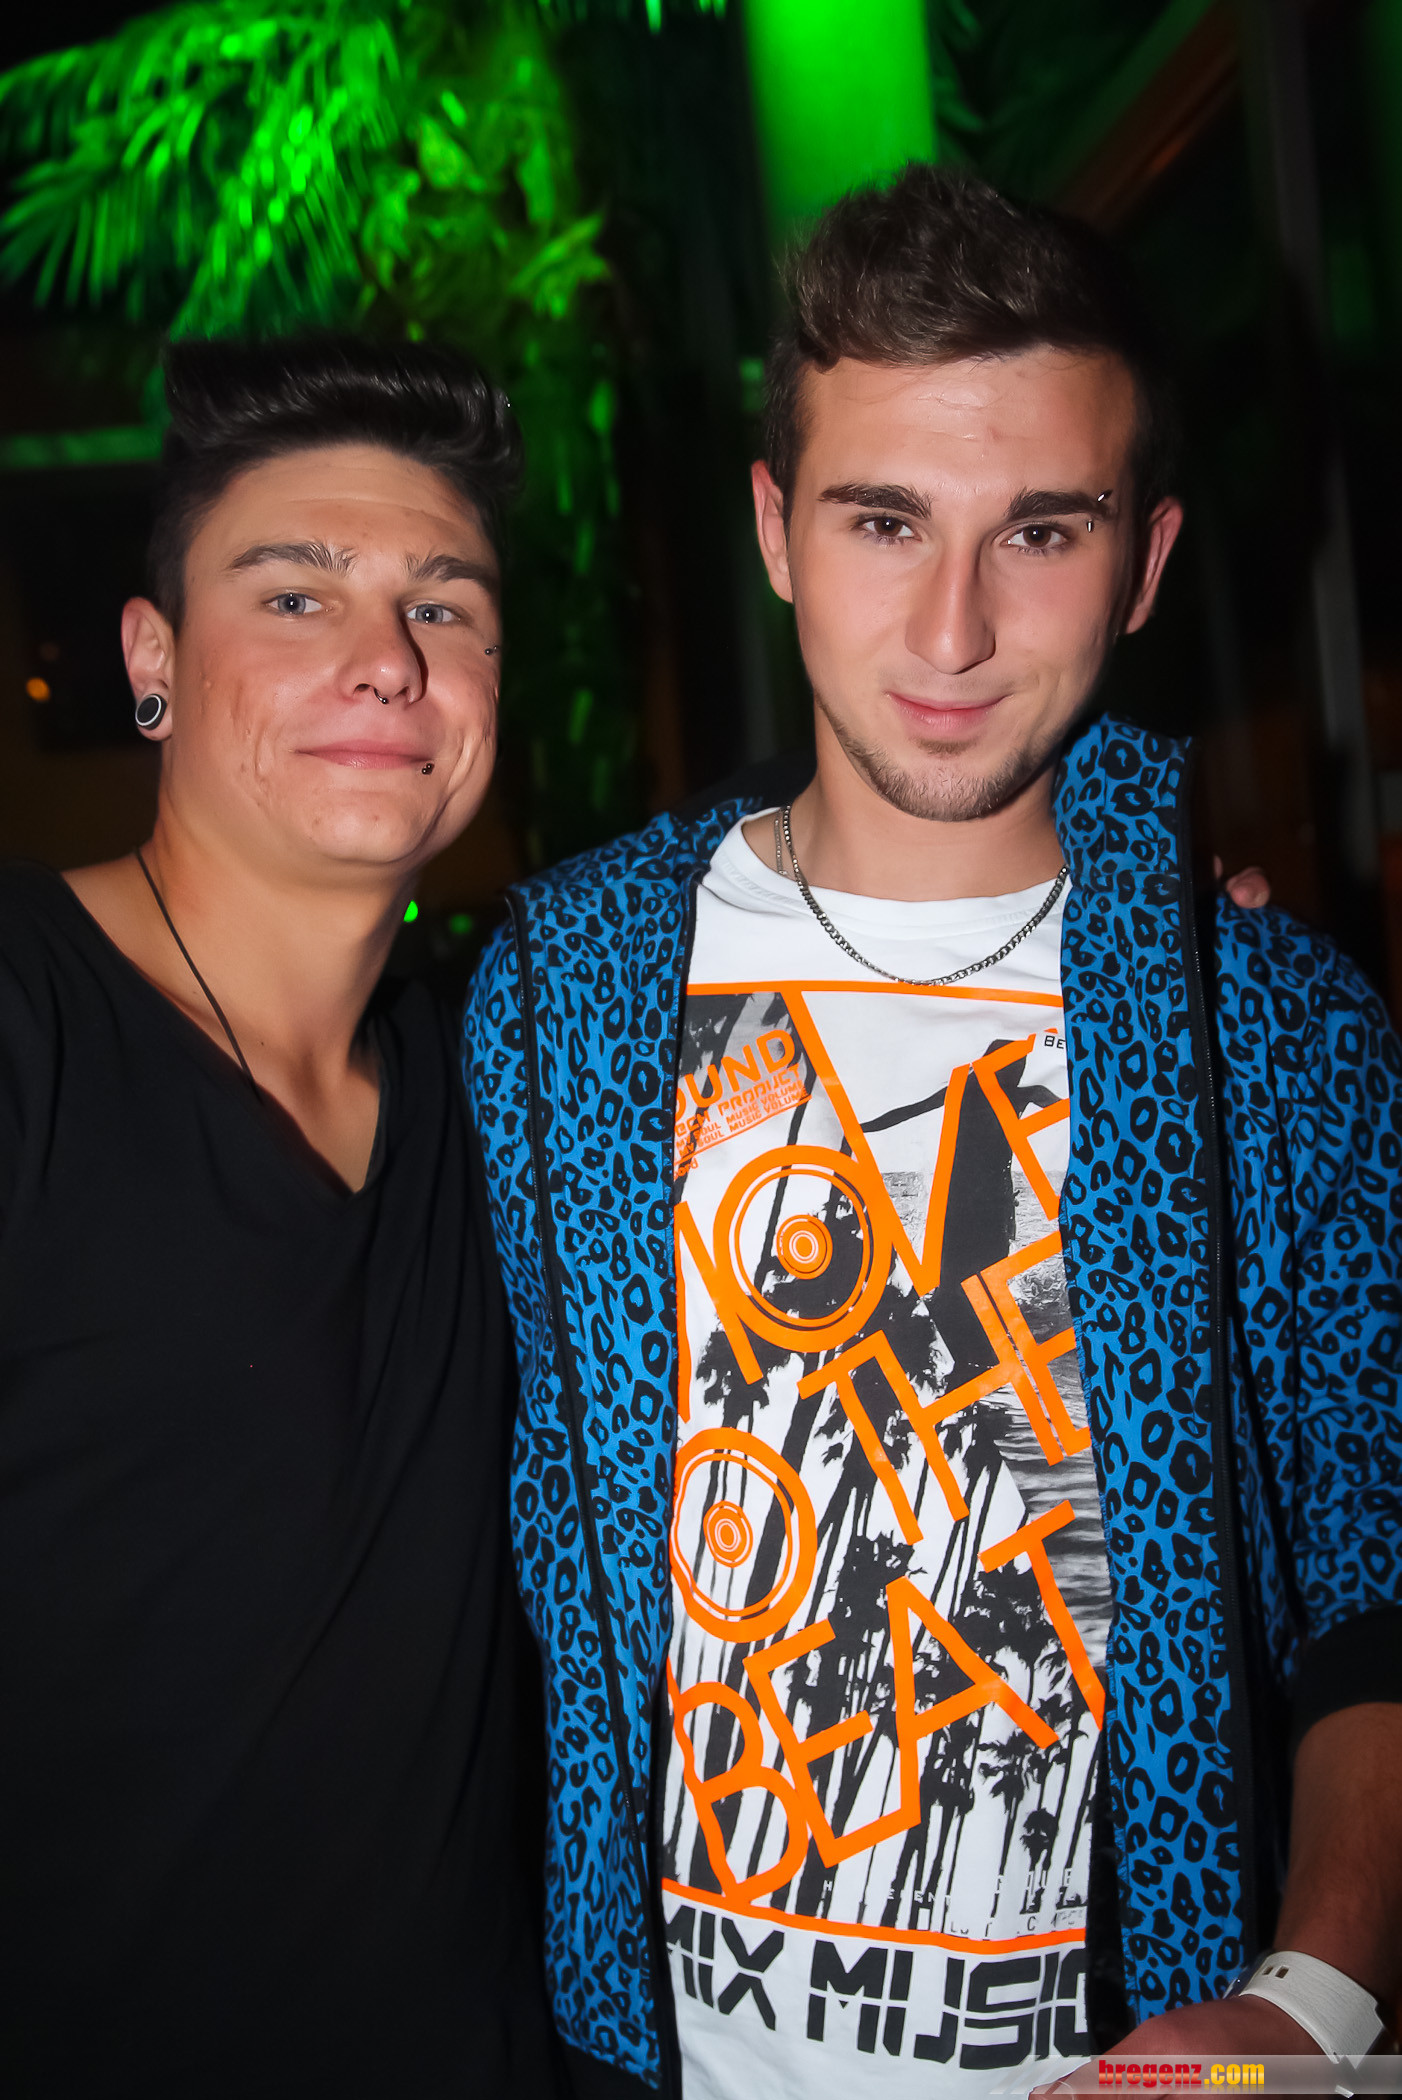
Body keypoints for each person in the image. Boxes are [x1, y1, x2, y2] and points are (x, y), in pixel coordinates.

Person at [464, 167, 1402, 2099]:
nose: (954, 627)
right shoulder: (559, 993)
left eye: (1037, 532)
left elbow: (1375, 1578)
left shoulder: (1275, 1033)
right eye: (883, 520)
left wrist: (1305, 2010)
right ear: (774, 530)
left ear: (1141, 564)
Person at [0, 335, 559, 2096]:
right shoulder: (24, 1025)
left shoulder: (520, 1075)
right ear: (152, 660)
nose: (386, 659)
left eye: (442, 606)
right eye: (296, 596)